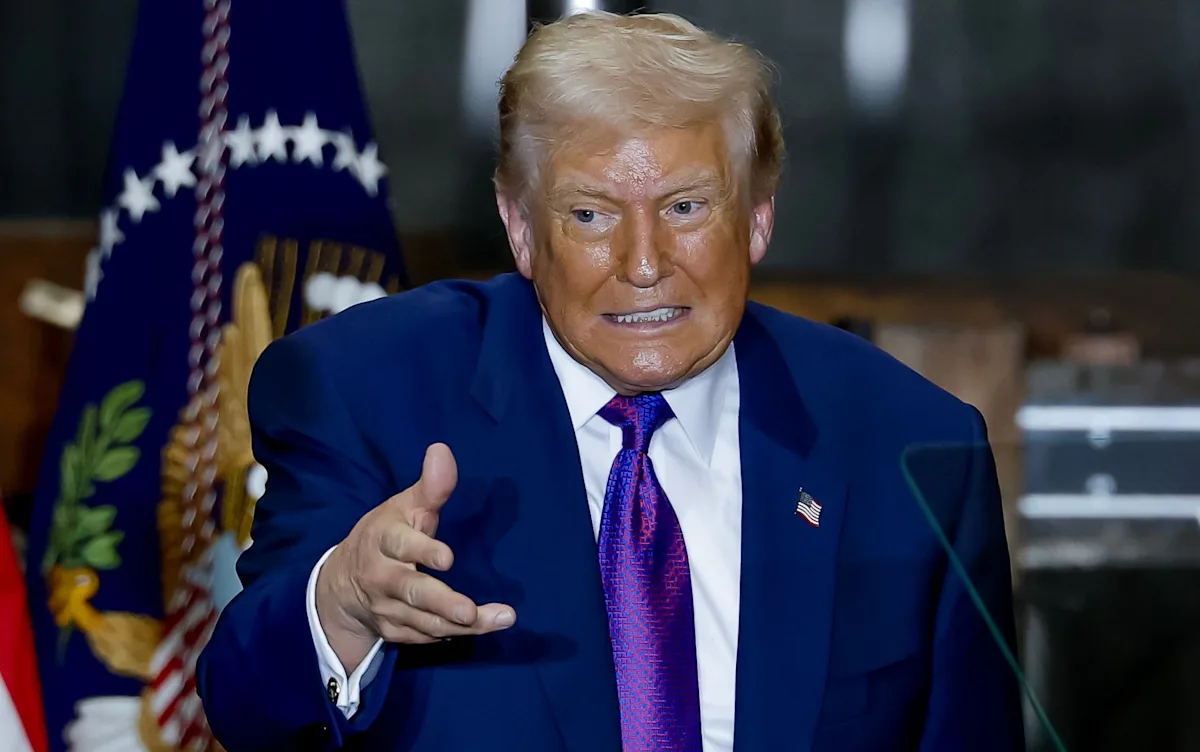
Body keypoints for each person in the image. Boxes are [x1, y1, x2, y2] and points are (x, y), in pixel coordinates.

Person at [197, 10, 1022, 752]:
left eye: (686, 207)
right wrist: (341, 605)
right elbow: (245, 709)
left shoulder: (910, 448)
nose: (644, 264)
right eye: (589, 214)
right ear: (520, 228)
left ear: (759, 214)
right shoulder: (365, 390)